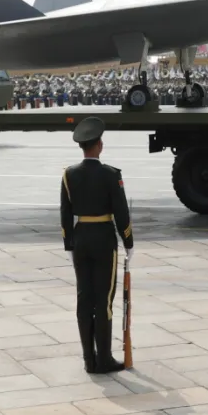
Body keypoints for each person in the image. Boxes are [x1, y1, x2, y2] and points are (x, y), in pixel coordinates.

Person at [60, 117, 133, 373]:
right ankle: (104, 359)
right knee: (103, 301)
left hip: (80, 239)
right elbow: (121, 213)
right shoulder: (111, 175)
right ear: (99, 145)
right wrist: (128, 241)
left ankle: (88, 360)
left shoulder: (69, 175)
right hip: (103, 238)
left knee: (84, 299)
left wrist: (69, 243)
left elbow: (65, 214)